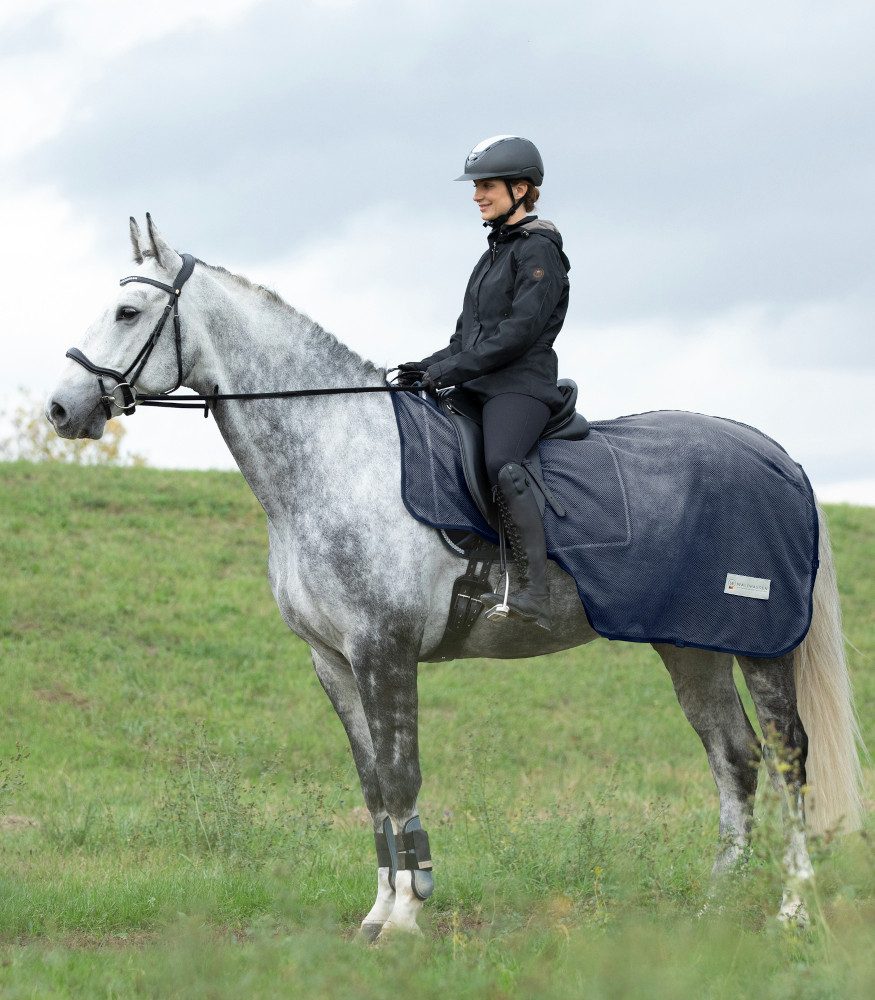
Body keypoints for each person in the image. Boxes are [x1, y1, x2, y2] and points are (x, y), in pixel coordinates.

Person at [396, 135, 571, 631]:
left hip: (521, 385)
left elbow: (517, 336)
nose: (477, 196)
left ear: (521, 189)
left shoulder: (540, 252)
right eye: (476, 186)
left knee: (502, 464)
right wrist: (420, 369)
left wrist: (449, 372)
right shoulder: (491, 255)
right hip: (479, 383)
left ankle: (535, 592)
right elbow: (465, 339)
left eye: (487, 186)